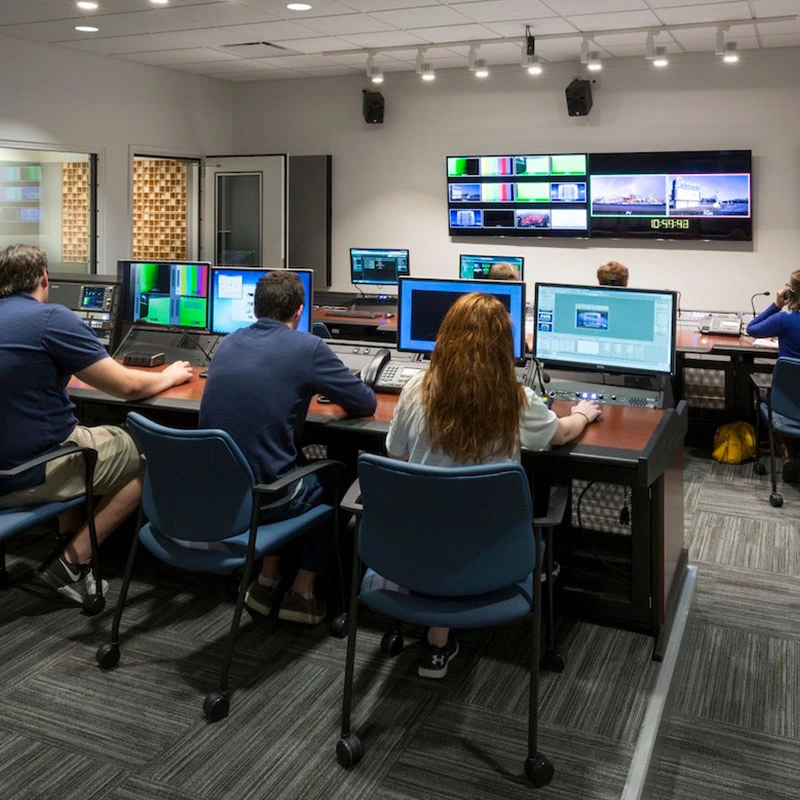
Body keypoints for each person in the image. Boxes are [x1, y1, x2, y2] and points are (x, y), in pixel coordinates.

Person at [385, 293, 601, 678]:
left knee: (445, 518)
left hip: (417, 547)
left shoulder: (415, 389)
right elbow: (561, 434)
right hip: (494, 552)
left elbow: (397, 454)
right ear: (504, 345)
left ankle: (438, 636)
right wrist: (583, 414)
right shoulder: (515, 399)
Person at [0, 244, 193, 604]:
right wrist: (169, 376)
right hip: (27, 473)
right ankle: (72, 561)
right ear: (45, 278)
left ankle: (65, 538)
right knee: (153, 452)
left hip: (10, 469)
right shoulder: (49, 319)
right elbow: (127, 386)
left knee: (77, 432)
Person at [199, 271, 376, 625]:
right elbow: (365, 403)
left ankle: (267, 578)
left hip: (220, 496)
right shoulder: (307, 347)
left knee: (281, 462)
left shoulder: (228, 343)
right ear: (299, 311)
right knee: (337, 476)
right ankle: (302, 591)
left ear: (255, 307)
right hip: (266, 498)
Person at [745, 271, 800, 359]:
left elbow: (751, 329)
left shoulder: (784, 319)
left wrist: (777, 306)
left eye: (788, 286)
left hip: (787, 373)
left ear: (790, 293)